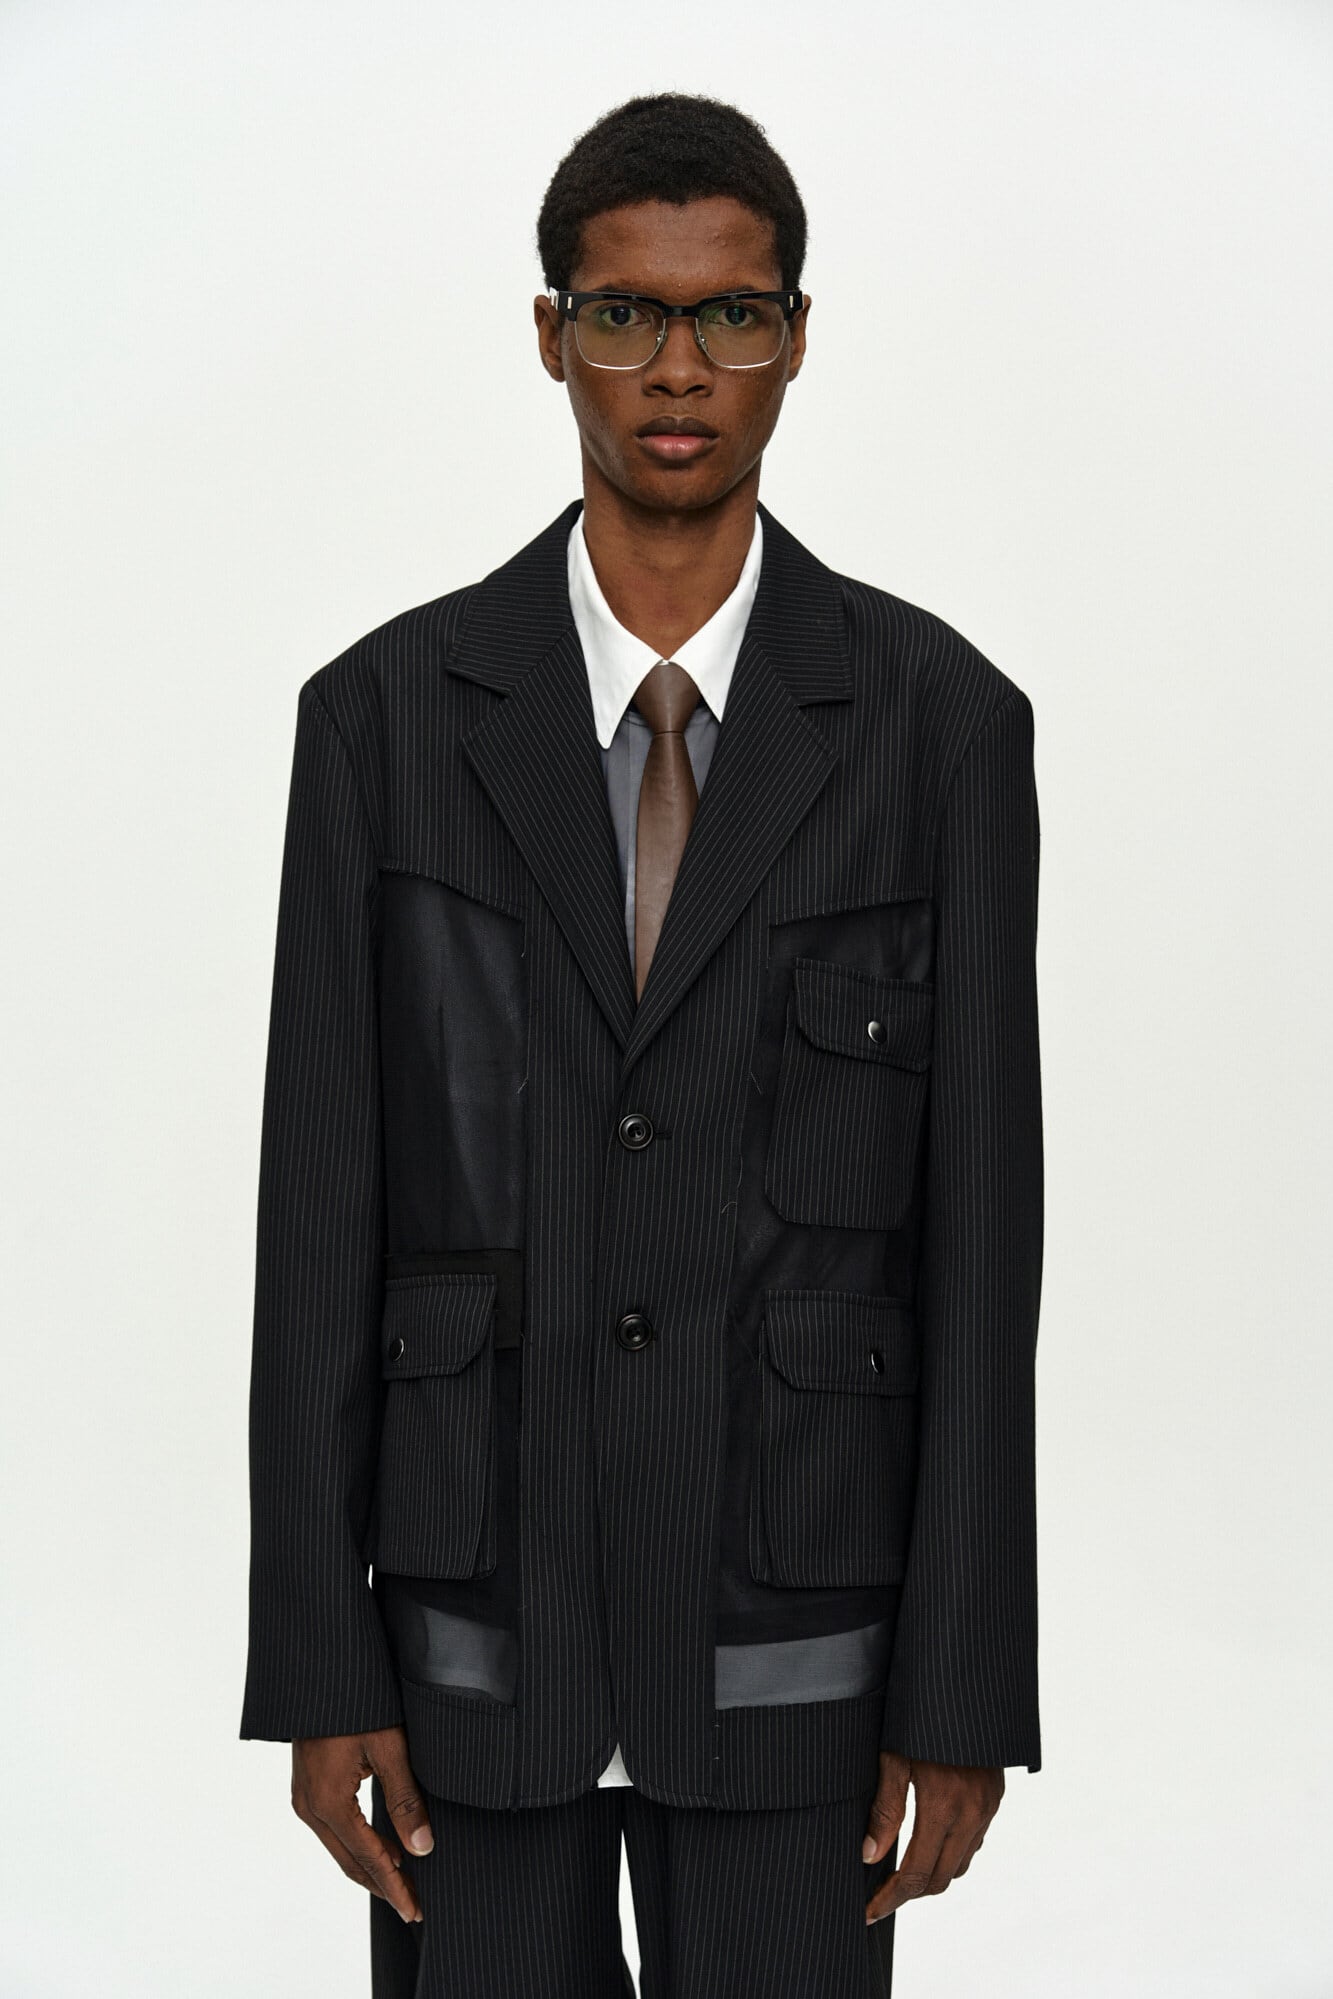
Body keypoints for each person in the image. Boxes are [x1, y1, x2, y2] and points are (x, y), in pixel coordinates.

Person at [240, 90, 1045, 1999]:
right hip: (468, 1644)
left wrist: (961, 1687)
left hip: (801, 1643)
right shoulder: (383, 721)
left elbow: (980, 1241)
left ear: (794, 337)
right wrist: (319, 1662)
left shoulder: (938, 726)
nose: (677, 370)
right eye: (624, 315)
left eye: (729, 315)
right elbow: (318, 1221)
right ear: (552, 335)